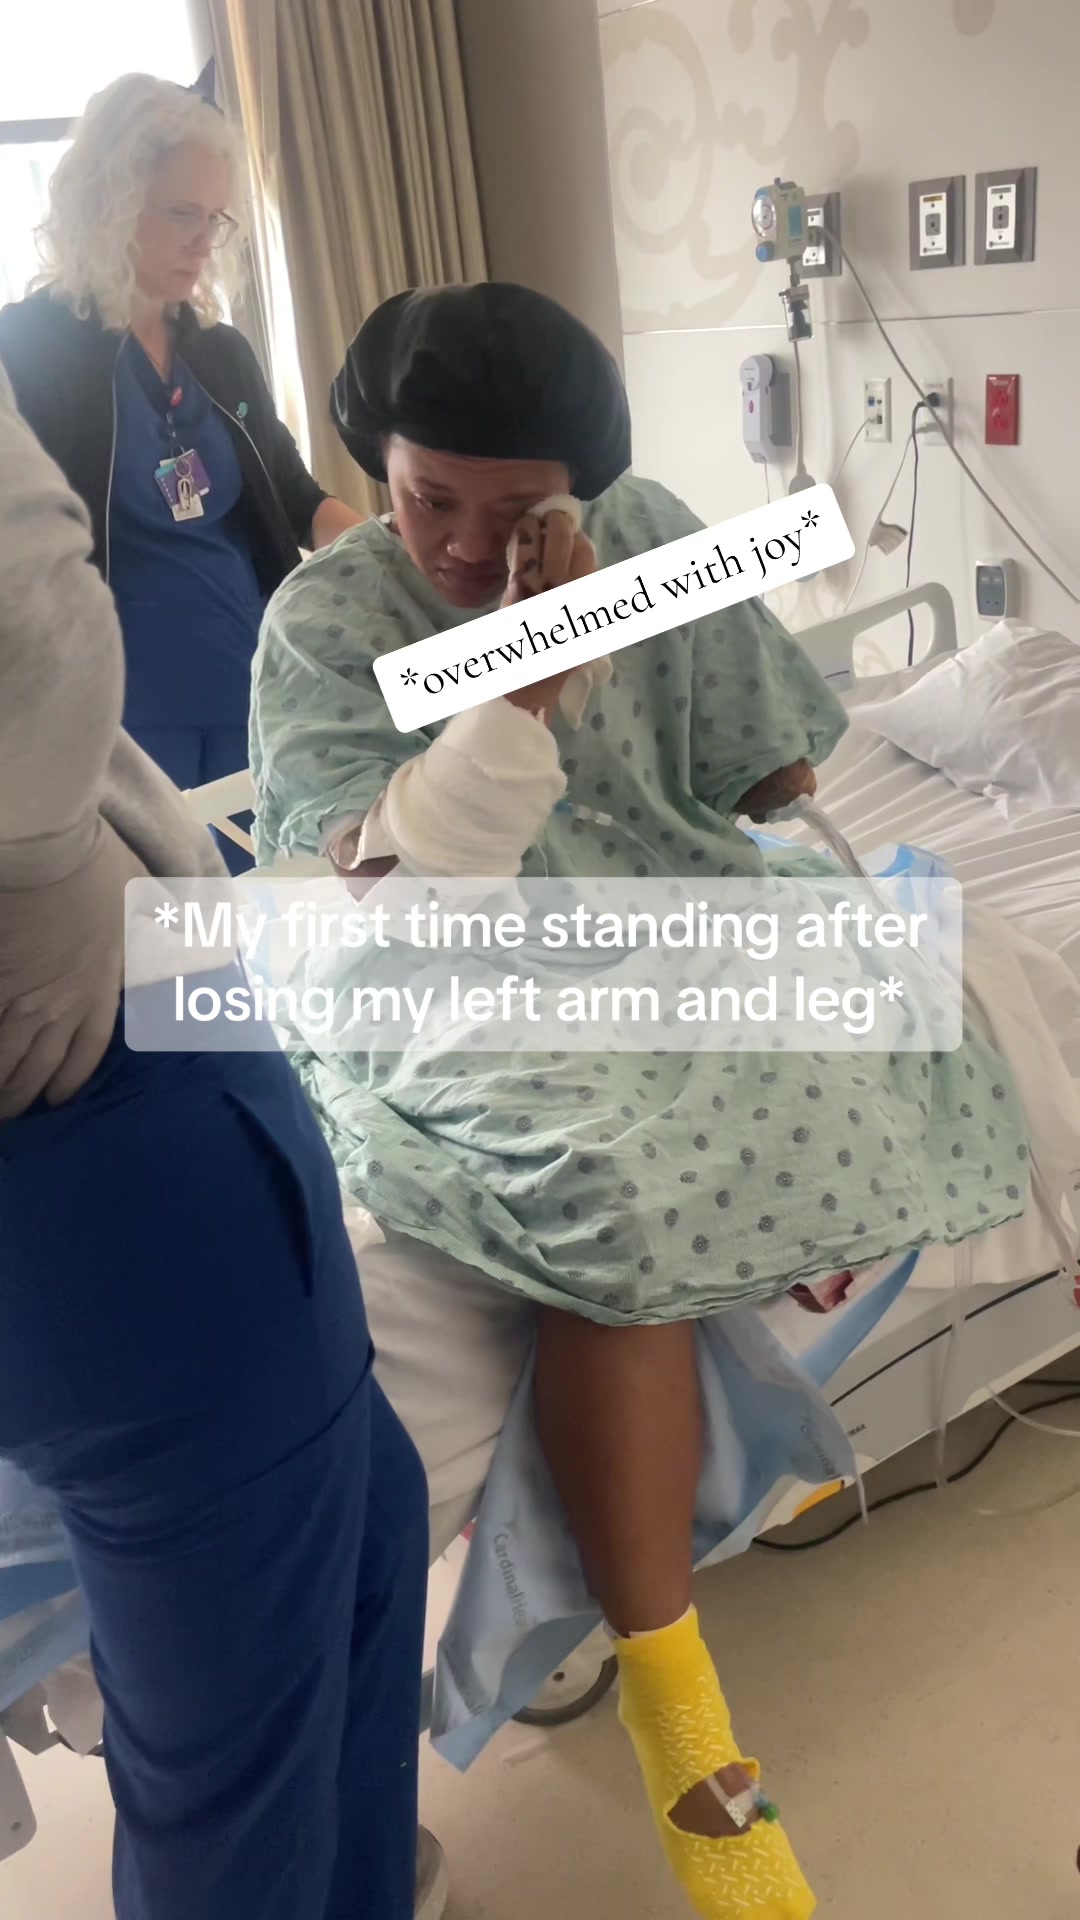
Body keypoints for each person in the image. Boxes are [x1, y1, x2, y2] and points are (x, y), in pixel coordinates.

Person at [250, 282, 1032, 1920]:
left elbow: (772, 771)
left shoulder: (652, 532)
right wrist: (527, 682)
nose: (465, 549)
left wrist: (699, 698)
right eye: (429, 501)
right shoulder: (328, 621)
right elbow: (393, 883)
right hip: (433, 957)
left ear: (585, 496)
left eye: (517, 515)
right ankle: (685, 1725)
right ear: (378, 470)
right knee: (601, 1179)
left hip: (656, 912)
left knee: (876, 1018)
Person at [0, 360, 438, 1919]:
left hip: (143, 1044)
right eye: (433, 494)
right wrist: (38, 865)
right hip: (103, 1122)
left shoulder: (225, 378)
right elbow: (34, 624)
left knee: (372, 1523)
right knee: (234, 1804)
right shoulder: (333, 622)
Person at [0, 67, 362, 871]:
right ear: (110, 202)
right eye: (181, 214)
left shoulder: (220, 353)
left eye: (214, 219)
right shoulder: (27, 350)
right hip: (119, 718)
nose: (204, 241)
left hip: (255, 687)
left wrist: (405, 553)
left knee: (270, 916)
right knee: (162, 929)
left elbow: (297, 499)